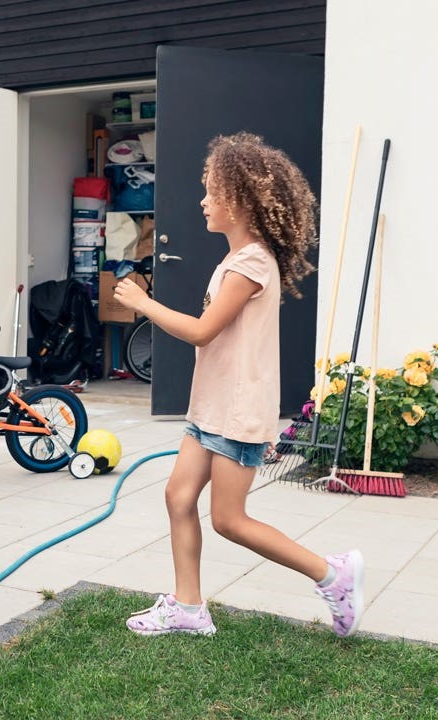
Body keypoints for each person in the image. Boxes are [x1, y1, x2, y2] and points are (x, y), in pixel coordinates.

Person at [113, 132, 365, 638]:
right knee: (178, 498)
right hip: (210, 407)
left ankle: (333, 575)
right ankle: (187, 607)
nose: (202, 200)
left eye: (211, 190)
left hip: (236, 410)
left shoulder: (251, 262)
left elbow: (204, 332)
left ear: (241, 200)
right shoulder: (235, 260)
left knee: (229, 519)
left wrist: (144, 303)